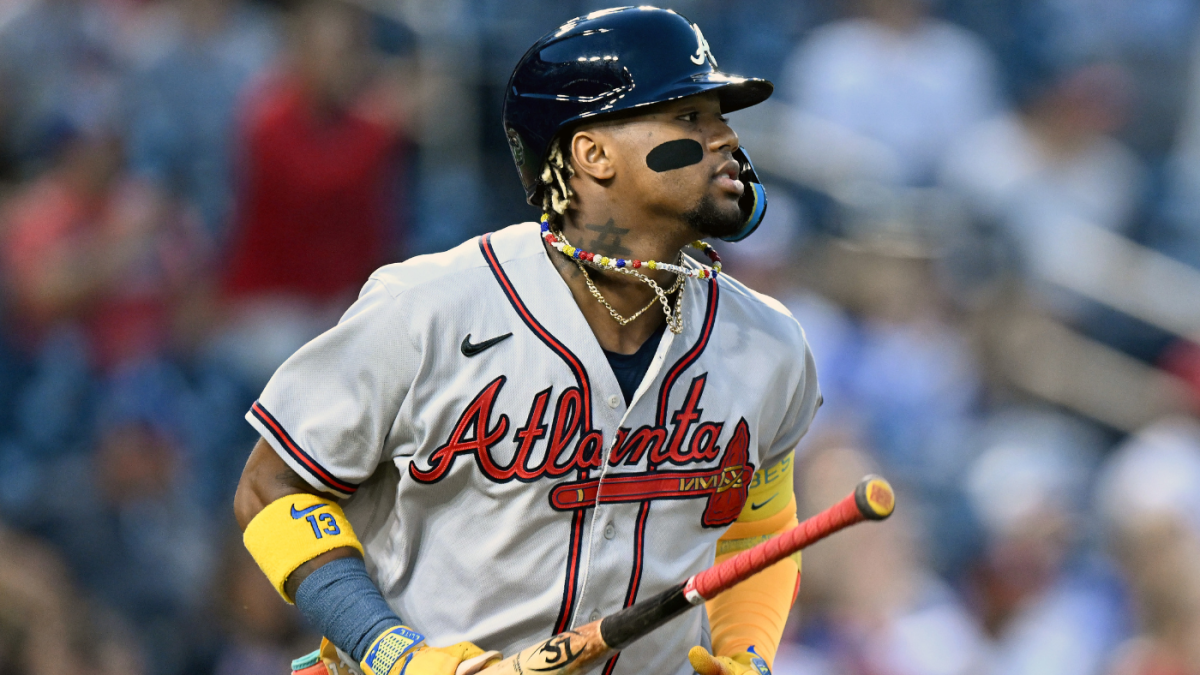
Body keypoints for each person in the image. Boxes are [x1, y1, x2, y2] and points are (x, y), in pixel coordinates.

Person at [232, 7, 820, 675]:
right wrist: (389, 650)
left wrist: (747, 652)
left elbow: (757, 524)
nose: (726, 137)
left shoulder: (769, 343)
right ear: (592, 154)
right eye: (689, 116)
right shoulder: (428, 308)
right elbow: (271, 485)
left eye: (720, 116)